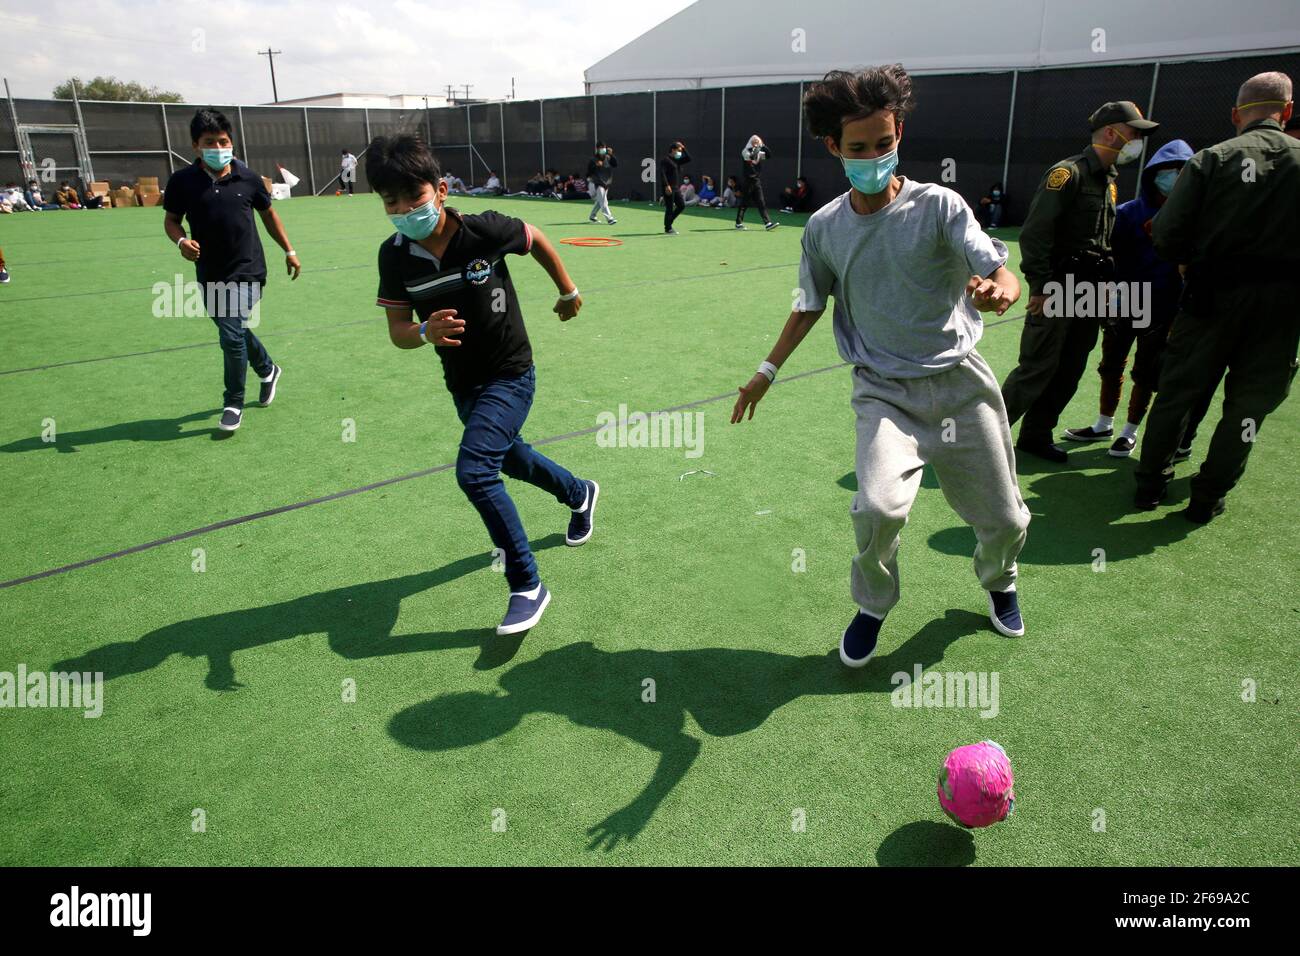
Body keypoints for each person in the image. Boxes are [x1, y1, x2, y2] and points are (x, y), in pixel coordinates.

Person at [731, 65, 1030, 668]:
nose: (874, 156)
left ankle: (1000, 581)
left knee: (1003, 518)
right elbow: (808, 305)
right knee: (877, 508)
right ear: (834, 148)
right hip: (884, 393)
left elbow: (1002, 271)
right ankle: (872, 604)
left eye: (885, 144)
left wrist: (1001, 291)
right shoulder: (824, 228)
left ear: (899, 137)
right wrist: (765, 370)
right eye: (859, 148)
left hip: (959, 386)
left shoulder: (940, 206)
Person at [366, 134, 599, 636]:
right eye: (392, 202)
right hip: (462, 383)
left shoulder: (484, 230)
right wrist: (424, 332)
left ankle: (526, 585)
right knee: (508, 457)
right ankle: (579, 493)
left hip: (512, 373)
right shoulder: (394, 257)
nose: (405, 209)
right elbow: (398, 333)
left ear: (442, 190)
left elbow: (535, 237)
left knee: (475, 471)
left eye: (415, 197)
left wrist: (568, 290)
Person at [1134, 72, 1299, 523]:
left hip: (1210, 298)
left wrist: (1190, 260)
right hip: (1282, 311)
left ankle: (1150, 485)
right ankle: (1207, 497)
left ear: (1235, 115)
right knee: (1247, 407)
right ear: (1286, 112)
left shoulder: (1212, 160)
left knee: (1177, 394)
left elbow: (1166, 234)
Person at [999, 100, 1159, 463]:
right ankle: (983, 439)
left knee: (1070, 370)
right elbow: (1035, 234)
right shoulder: (1068, 174)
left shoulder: (1110, 182)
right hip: (1058, 287)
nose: (1136, 140)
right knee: (1037, 368)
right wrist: (1040, 286)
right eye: (1133, 132)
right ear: (1110, 132)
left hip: (1090, 292)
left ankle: (1036, 436)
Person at [1062, 139, 1209, 458]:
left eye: (1183, 171)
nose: (1175, 177)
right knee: (1111, 364)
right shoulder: (1128, 213)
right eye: (1168, 171)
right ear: (1153, 174)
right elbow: (1109, 255)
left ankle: (1129, 432)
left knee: (1147, 370)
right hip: (1123, 301)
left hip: (1165, 306)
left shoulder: (1194, 217)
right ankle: (1103, 424)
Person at [163, 108, 301, 433]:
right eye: (209, 142)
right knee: (234, 330)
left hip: (248, 270)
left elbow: (269, 215)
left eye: (223, 141)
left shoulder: (248, 177)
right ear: (196, 146)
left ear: (232, 142)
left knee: (230, 334)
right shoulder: (182, 182)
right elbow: (170, 220)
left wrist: (289, 250)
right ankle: (268, 369)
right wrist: (181, 240)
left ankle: (233, 402)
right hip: (209, 271)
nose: (218, 147)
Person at [736, 134, 777, 230]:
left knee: (761, 202)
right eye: (754, 141)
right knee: (744, 203)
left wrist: (763, 145)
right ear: (750, 142)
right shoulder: (745, 151)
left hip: (756, 181)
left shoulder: (759, 150)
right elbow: (752, 157)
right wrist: (758, 148)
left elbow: (769, 155)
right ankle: (738, 223)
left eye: (757, 141)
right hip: (748, 180)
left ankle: (768, 223)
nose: (756, 143)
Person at [660, 140, 690, 234]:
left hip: (676, 188)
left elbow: (689, 158)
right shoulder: (665, 160)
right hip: (668, 187)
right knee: (669, 207)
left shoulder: (677, 160)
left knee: (681, 205)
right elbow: (662, 173)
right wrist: (666, 185)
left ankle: (669, 222)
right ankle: (668, 228)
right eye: (678, 150)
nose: (680, 152)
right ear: (673, 150)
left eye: (681, 151)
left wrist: (684, 148)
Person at [586, 141, 618, 224]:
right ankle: (609, 219)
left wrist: (611, 155)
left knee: (600, 201)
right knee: (604, 201)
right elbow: (589, 172)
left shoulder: (608, 157)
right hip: (597, 182)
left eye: (603, 147)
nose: (602, 149)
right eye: (600, 148)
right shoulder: (593, 159)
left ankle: (592, 216)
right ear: (597, 149)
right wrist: (596, 165)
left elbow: (615, 164)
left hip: (606, 182)